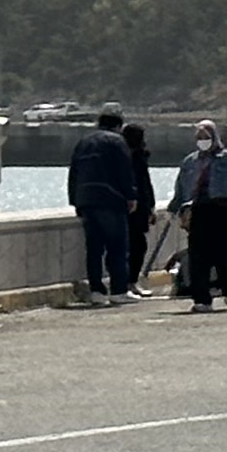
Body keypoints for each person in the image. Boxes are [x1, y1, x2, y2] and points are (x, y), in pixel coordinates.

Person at [67, 109, 143, 308]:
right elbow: (124, 171)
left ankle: (96, 291)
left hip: (86, 200)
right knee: (117, 247)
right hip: (110, 200)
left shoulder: (83, 143)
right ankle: (118, 290)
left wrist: (75, 200)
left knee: (94, 249)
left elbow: (73, 172)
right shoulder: (117, 142)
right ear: (118, 126)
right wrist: (131, 196)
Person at [171, 118, 227, 310]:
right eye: (199, 137)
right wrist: (176, 209)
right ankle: (202, 299)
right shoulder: (190, 162)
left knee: (222, 253)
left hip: (223, 209)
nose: (202, 140)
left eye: (205, 137)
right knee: (198, 255)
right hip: (198, 209)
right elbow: (181, 188)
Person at [119, 117, 160, 298]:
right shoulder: (129, 158)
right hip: (130, 208)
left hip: (139, 208)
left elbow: (145, 184)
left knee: (137, 246)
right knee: (135, 246)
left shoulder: (138, 157)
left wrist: (150, 207)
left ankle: (130, 282)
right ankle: (128, 283)